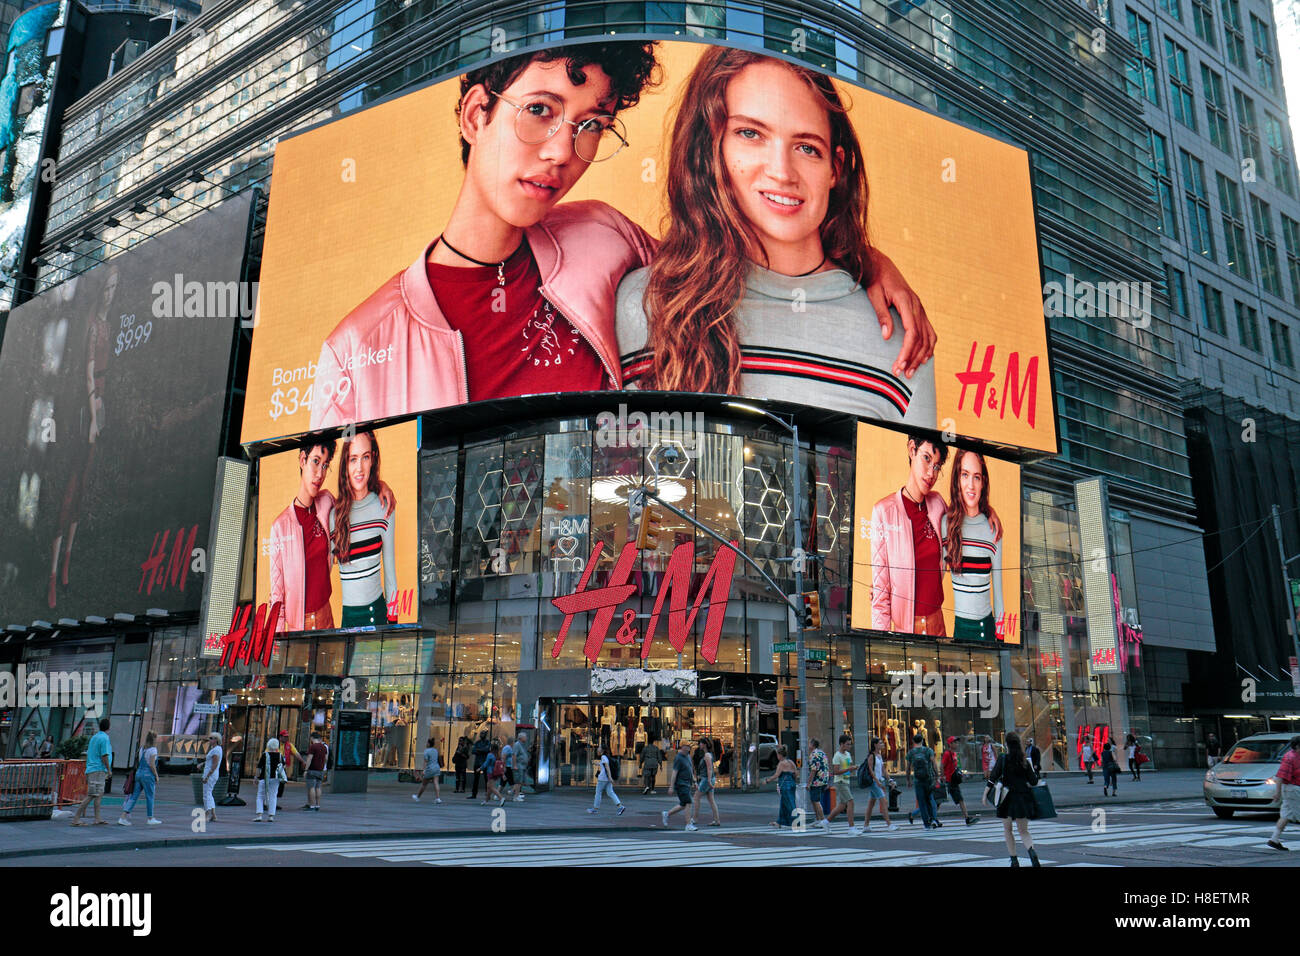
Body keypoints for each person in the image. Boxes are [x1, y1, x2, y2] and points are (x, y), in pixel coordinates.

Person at [617, 46, 936, 421]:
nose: (782, 171)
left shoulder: (899, 337)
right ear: (711, 149)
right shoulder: (646, 304)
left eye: (806, 147)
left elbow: (911, 478)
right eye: (750, 133)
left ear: (835, 168)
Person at [269, 436, 396, 633]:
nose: (319, 473)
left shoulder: (326, 503)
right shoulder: (280, 527)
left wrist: (379, 484)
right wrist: (276, 642)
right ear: (302, 460)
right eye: (315, 462)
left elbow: (355, 502)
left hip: (327, 615)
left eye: (325, 465)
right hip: (299, 624)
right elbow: (276, 595)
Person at [49, 266, 117, 609]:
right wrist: (92, 418)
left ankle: (66, 569)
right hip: (85, 411)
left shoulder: (108, 324)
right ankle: (52, 572)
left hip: (99, 405)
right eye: (107, 288)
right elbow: (88, 375)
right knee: (72, 485)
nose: (110, 294)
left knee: (84, 485)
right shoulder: (93, 328)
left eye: (114, 288)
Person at [331, 429, 398, 627]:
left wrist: (393, 624)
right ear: (345, 464)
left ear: (373, 459)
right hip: (348, 619)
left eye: (365, 457)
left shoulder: (384, 507)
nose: (359, 468)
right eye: (353, 459)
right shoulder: (333, 515)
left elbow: (391, 574)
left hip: (378, 615)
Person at [941, 449, 1004, 642]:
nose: (971, 485)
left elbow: (998, 593)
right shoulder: (946, 524)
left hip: (987, 628)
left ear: (983, 482)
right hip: (959, 628)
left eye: (976, 477)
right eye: (965, 475)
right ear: (957, 480)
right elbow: (935, 576)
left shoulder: (993, 529)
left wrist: (1001, 639)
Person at [988, 731, 1040, 867]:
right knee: (1024, 831)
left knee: (1008, 830)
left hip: (1007, 798)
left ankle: (1014, 860)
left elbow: (993, 777)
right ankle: (1032, 853)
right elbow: (1034, 781)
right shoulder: (1024, 760)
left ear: (1007, 744)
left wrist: (985, 794)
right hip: (1023, 798)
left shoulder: (1003, 758)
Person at [70, 718, 112, 826]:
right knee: (92, 794)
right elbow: (105, 755)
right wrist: (109, 769)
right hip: (98, 770)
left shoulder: (95, 737)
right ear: (108, 727)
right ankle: (76, 818)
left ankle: (97, 818)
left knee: (98, 794)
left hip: (93, 769)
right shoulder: (105, 738)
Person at [118, 731, 162, 826]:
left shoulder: (142, 749)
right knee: (150, 797)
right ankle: (150, 818)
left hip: (138, 774)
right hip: (148, 776)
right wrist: (156, 776)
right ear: (154, 739)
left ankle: (123, 817)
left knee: (133, 797)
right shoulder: (153, 750)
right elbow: (152, 765)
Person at [1267, 735, 1300, 851]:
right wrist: (1277, 793)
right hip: (1293, 789)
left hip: (1293, 789)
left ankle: (1274, 839)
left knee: (1286, 815)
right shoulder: (1290, 757)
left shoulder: (1296, 756)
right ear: (1297, 746)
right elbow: (1280, 777)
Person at [823, 734, 861, 833]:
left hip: (846, 780)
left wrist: (853, 768)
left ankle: (826, 821)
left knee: (842, 805)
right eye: (847, 744)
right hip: (840, 782)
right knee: (850, 801)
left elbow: (847, 768)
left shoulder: (847, 755)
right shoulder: (837, 756)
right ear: (841, 744)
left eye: (850, 744)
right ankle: (851, 827)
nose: (849, 746)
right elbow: (835, 772)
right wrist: (849, 769)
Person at [861, 736, 898, 830]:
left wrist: (890, 780)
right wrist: (877, 782)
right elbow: (870, 770)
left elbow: (883, 770)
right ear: (875, 745)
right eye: (880, 743)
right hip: (874, 782)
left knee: (871, 803)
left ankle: (866, 825)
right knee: (884, 801)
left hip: (879, 781)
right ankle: (889, 825)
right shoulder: (871, 756)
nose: (882, 744)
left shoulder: (879, 755)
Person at [905, 733, 941, 829]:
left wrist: (908, 780)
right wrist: (937, 776)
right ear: (922, 740)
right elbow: (934, 764)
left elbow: (908, 768)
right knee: (930, 799)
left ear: (913, 742)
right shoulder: (928, 750)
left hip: (917, 780)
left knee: (921, 802)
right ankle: (933, 819)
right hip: (928, 778)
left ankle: (926, 823)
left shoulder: (911, 753)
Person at [941, 735, 978, 826]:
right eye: (955, 742)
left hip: (954, 780)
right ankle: (967, 818)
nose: (957, 744)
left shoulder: (954, 754)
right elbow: (942, 766)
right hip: (950, 780)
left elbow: (955, 767)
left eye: (957, 742)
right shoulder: (947, 754)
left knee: (942, 800)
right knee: (958, 800)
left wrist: (961, 773)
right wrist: (943, 777)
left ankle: (931, 818)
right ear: (950, 744)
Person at [663, 741, 697, 831]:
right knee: (688, 802)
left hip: (687, 783)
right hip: (681, 784)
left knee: (683, 804)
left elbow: (690, 770)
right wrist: (671, 786)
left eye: (689, 746)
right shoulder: (678, 758)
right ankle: (688, 824)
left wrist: (694, 781)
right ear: (682, 747)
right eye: (687, 746)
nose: (689, 748)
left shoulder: (688, 757)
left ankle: (667, 814)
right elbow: (675, 772)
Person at [762, 745, 799, 829]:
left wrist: (767, 780)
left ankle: (796, 821)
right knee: (785, 803)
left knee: (789, 804)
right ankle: (781, 821)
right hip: (792, 784)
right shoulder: (791, 762)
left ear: (780, 755)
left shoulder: (781, 764)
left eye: (777, 755)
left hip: (785, 785)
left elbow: (776, 775)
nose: (777, 756)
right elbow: (796, 773)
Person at [588, 742, 627, 815]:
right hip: (607, 779)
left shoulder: (603, 757)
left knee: (598, 793)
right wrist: (597, 764)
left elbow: (607, 767)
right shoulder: (605, 757)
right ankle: (620, 806)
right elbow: (604, 764)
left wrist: (610, 777)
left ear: (602, 750)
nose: (598, 749)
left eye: (599, 747)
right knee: (610, 792)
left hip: (603, 778)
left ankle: (595, 809)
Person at [253, 738, 284, 823]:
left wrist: (256, 777)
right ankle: (271, 816)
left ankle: (259, 815)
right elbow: (282, 767)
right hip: (275, 778)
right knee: (273, 796)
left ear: (268, 745)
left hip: (264, 778)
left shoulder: (264, 755)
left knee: (260, 795)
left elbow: (259, 768)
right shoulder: (280, 756)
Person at [692, 737, 721, 827]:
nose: (699, 745)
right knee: (711, 799)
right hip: (709, 779)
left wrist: (708, 781)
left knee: (696, 797)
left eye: (700, 743)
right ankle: (716, 820)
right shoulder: (708, 754)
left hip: (706, 779)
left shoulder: (707, 755)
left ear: (704, 745)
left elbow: (709, 768)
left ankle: (695, 818)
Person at [301, 731, 328, 811]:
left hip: (312, 769)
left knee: (311, 787)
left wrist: (306, 769)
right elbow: (326, 758)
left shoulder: (313, 747)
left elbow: (309, 758)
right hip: (320, 770)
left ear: (312, 738)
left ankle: (312, 805)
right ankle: (317, 805)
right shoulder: (324, 747)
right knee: (318, 787)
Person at [807, 738, 830, 827]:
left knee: (816, 800)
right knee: (814, 799)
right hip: (824, 779)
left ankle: (822, 819)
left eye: (809, 743)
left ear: (812, 745)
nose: (808, 745)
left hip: (816, 780)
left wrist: (809, 783)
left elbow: (813, 770)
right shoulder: (822, 753)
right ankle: (818, 819)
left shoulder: (813, 755)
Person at [201, 732, 223, 823]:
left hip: (210, 774)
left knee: (206, 795)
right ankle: (213, 815)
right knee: (209, 793)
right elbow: (211, 762)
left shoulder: (216, 750)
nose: (209, 740)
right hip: (211, 774)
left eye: (211, 738)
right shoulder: (215, 749)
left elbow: (215, 764)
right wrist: (202, 764)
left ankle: (207, 813)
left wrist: (207, 776)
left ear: (216, 740)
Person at [413, 736, 443, 802]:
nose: (426, 744)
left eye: (427, 743)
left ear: (429, 744)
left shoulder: (426, 751)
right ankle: (438, 798)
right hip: (436, 768)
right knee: (436, 783)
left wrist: (424, 770)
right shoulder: (435, 750)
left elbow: (425, 762)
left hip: (430, 769)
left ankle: (417, 797)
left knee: (424, 784)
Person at [468, 730, 491, 799]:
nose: (482, 735)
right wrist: (482, 750)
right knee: (476, 779)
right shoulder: (477, 742)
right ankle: (474, 794)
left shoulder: (487, 742)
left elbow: (487, 750)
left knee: (486, 779)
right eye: (481, 734)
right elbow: (473, 751)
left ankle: (488, 794)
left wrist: (479, 750)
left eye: (483, 734)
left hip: (484, 763)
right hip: (477, 762)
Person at [482, 741, 506, 806]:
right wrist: (503, 774)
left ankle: (501, 798)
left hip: (490, 772)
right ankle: (486, 800)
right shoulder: (498, 755)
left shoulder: (490, 755)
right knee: (488, 787)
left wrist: (480, 768)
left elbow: (486, 763)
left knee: (491, 787)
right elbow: (501, 765)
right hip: (496, 773)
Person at [510, 732, 529, 801]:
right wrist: (515, 765)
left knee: (520, 782)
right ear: (521, 738)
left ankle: (515, 793)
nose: (526, 738)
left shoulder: (522, 745)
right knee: (518, 782)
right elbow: (514, 755)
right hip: (518, 766)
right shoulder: (517, 745)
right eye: (525, 737)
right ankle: (515, 796)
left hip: (522, 766)